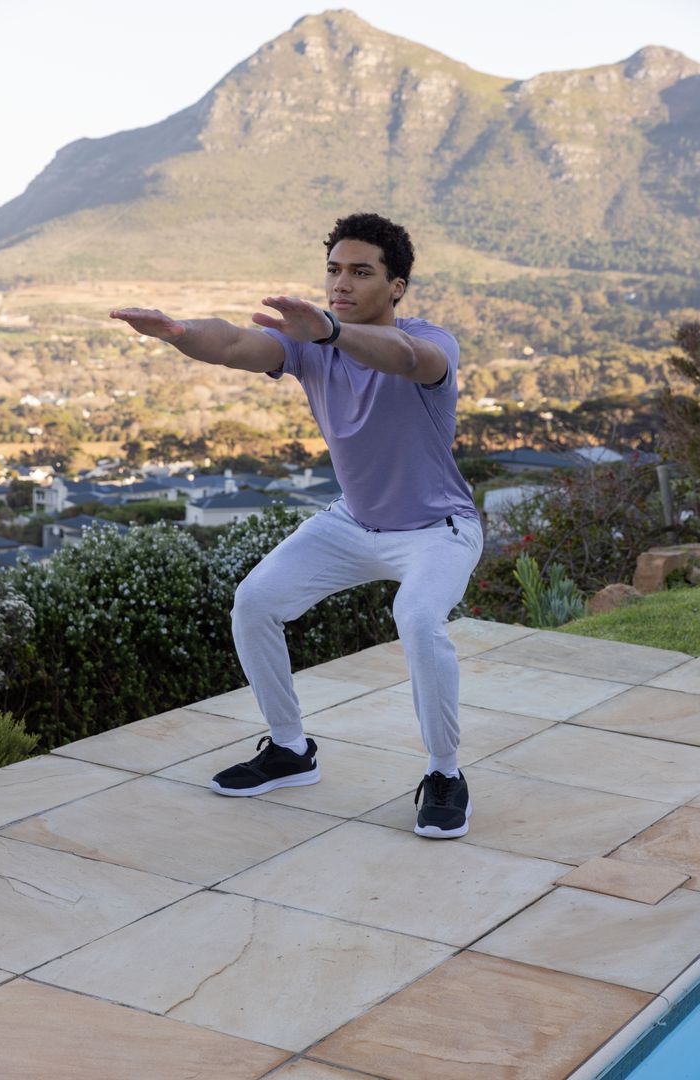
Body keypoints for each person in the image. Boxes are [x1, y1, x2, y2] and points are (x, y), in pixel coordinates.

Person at [110, 212, 483, 838]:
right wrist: (178, 333)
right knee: (255, 602)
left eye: (360, 272)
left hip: (437, 530)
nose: (342, 283)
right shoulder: (309, 346)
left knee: (419, 620)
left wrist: (332, 330)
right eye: (334, 270)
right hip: (353, 523)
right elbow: (234, 344)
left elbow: (407, 359)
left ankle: (444, 773)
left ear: (396, 286)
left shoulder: (428, 339)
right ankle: (289, 748)